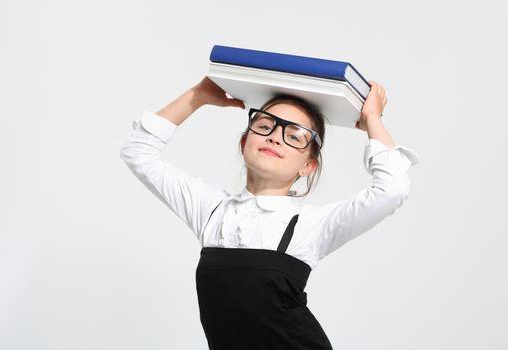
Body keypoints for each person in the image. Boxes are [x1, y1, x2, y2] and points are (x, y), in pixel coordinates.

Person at [119, 76, 419, 349]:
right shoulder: (212, 212)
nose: (275, 136)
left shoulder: (309, 226)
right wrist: (197, 96)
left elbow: (392, 190)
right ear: (244, 142)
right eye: (264, 126)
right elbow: (138, 151)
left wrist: (372, 119)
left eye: (295, 135)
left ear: (308, 166)